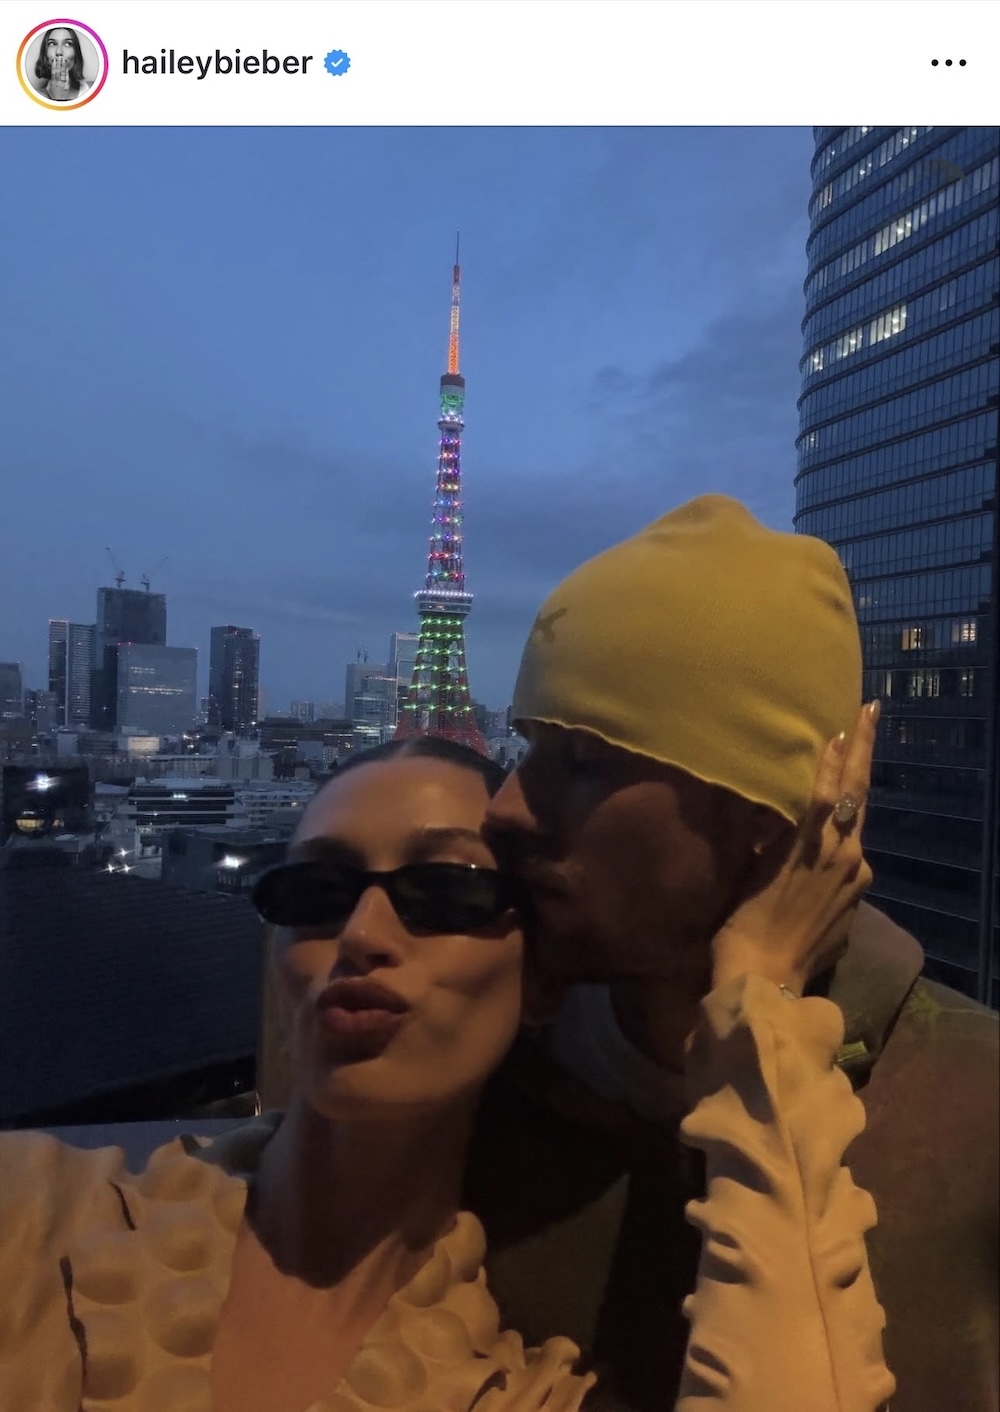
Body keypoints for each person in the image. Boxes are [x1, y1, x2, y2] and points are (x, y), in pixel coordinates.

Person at [0, 731, 894, 1412]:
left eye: (447, 892)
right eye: (315, 893)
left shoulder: (521, 1396)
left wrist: (759, 998)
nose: (362, 935)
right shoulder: (36, 1215)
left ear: (541, 981)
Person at [469, 494, 999, 1412]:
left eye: (584, 761)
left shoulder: (973, 1112)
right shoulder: (481, 1065)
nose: (506, 806)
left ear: (763, 816)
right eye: (527, 749)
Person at [32, 28, 92, 103]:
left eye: (68, 44)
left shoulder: (93, 89)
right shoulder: (32, 97)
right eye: (52, 44)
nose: (58, 52)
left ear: (76, 53)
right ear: (45, 53)